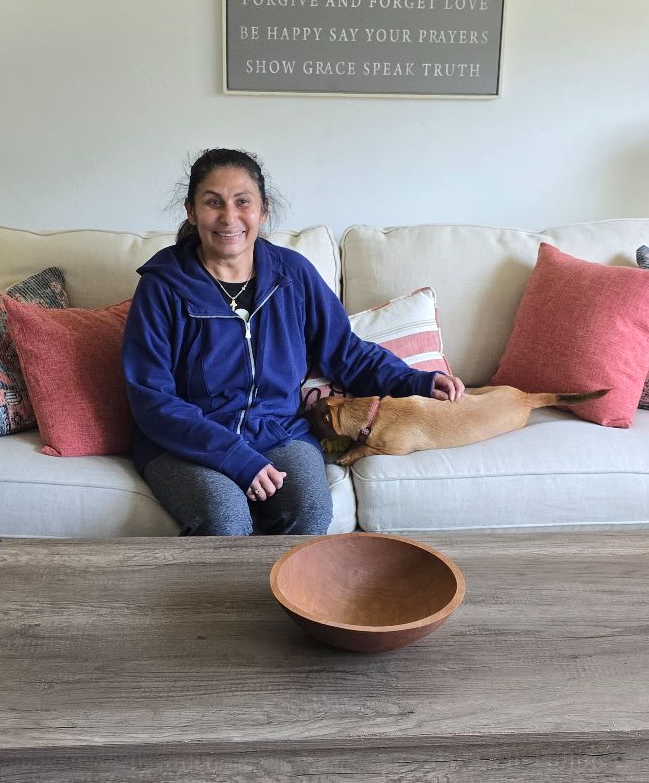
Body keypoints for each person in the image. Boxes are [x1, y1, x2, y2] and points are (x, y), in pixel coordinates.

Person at [122, 148, 465, 536]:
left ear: (263, 211)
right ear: (191, 211)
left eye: (242, 202)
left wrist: (416, 381)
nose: (229, 217)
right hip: (185, 443)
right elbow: (151, 398)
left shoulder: (293, 276)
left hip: (278, 431)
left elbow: (346, 352)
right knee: (225, 520)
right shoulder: (162, 285)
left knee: (310, 512)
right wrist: (235, 457)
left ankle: (287, 598)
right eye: (213, 202)